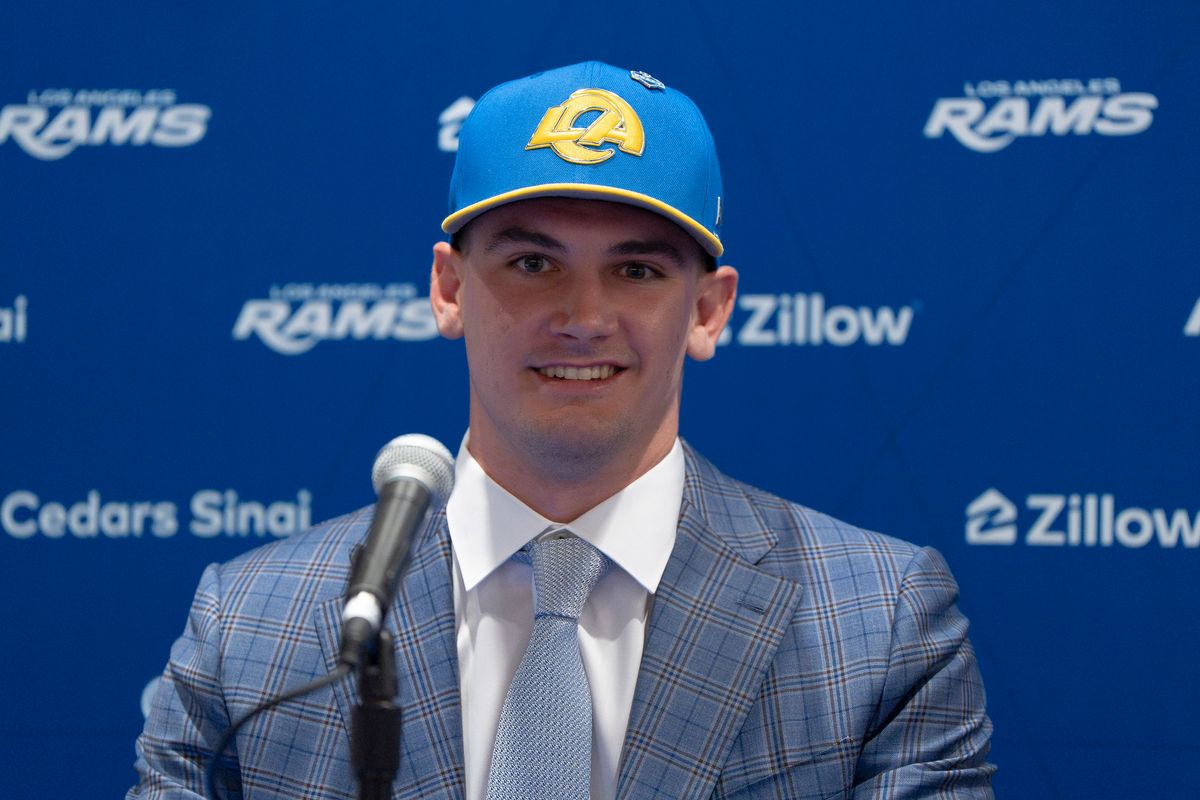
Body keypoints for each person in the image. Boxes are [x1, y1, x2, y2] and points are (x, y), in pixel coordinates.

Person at [129, 61, 994, 799]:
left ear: (707, 309)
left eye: (637, 269)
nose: (584, 316)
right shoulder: (246, 627)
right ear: (449, 291)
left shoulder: (879, 624)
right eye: (533, 263)